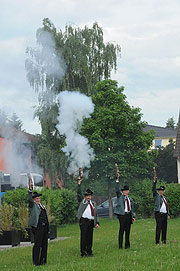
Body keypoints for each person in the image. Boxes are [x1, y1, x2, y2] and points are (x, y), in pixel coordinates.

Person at [76, 177, 99, 257]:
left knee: (90, 237)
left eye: (89, 196)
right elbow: (79, 195)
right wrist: (79, 184)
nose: (88, 197)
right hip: (84, 221)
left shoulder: (93, 203)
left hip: (91, 221)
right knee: (83, 237)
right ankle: (83, 253)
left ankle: (89, 251)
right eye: (87, 196)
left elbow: (96, 214)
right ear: (85, 196)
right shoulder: (83, 202)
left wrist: (97, 223)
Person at [28, 183, 49, 266]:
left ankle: (43, 261)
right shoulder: (33, 205)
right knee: (37, 244)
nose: (38, 199)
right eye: (36, 198)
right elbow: (29, 200)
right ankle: (36, 262)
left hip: (44, 227)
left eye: (39, 198)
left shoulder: (42, 206)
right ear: (34, 199)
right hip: (38, 227)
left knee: (44, 245)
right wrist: (30, 191)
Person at [114, 177, 135, 249]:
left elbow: (132, 208)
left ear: (128, 191)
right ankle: (120, 246)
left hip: (128, 215)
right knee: (122, 230)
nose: (125, 192)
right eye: (124, 191)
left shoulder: (130, 199)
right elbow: (117, 190)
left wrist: (133, 216)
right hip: (122, 215)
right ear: (122, 192)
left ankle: (127, 245)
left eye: (126, 191)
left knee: (128, 230)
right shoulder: (120, 196)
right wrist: (117, 181)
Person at [152, 174, 170, 245]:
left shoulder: (165, 198)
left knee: (164, 228)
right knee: (159, 227)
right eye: (160, 190)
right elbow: (153, 189)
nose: (161, 191)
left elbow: (166, 207)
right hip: (159, 214)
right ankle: (157, 241)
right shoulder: (157, 196)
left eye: (162, 190)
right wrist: (154, 182)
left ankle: (164, 241)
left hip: (164, 214)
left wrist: (168, 214)